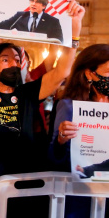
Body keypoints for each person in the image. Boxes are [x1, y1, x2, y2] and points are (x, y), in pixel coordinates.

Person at [0, 0, 84, 217]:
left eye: (16, 58)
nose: (13, 62)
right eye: (5, 59)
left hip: (25, 190)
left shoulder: (29, 93)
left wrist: (75, 29)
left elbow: (62, 70)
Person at [48, 44, 109, 217]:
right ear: (90, 73)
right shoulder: (69, 107)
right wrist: (61, 139)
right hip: (80, 197)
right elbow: (55, 159)